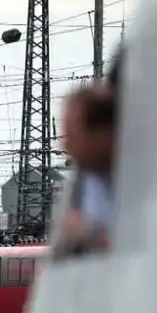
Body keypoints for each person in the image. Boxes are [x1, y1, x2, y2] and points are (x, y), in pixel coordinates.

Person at [52, 52, 122, 260]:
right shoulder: (79, 188)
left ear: (103, 132)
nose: (65, 146)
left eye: (72, 136)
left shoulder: (148, 179)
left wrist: (92, 237)